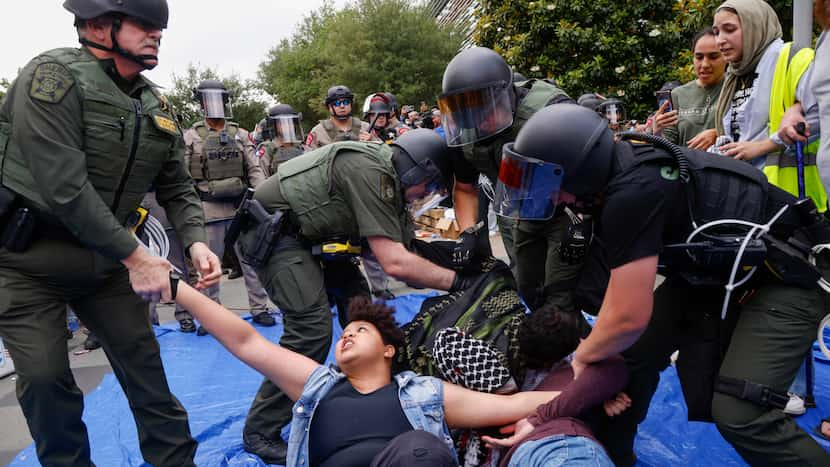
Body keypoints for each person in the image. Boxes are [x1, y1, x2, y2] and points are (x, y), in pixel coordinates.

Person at [496, 102, 830, 466]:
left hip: (790, 277)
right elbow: (618, 307)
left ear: (580, 173)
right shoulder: (619, 180)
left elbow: (626, 319)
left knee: (741, 412)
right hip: (718, 273)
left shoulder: (633, 192)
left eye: (550, 184)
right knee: (628, 359)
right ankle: (612, 456)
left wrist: (582, 361)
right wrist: (598, 357)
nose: (551, 198)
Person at [0, 0, 223, 465]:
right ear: (100, 25)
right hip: (28, 263)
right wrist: (138, 257)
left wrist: (197, 239)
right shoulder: (53, 78)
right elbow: (64, 188)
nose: (157, 34)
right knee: (44, 381)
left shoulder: (153, 102)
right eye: (144, 24)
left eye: (160, 27)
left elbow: (176, 183)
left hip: (107, 262)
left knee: (146, 371)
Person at [241, 129, 484, 463]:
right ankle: (260, 430)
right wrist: (459, 283)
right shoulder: (371, 171)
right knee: (311, 327)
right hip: (276, 234)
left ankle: (374, 386)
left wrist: (466, 253)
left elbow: (413, 244)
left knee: (364, 314)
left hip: (320, 239)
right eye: (427, 187)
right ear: (417, 171)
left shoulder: (393, 184)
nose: (424, 195)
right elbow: (395, 262)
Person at [167, 275, 562, 467]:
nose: (347, 335)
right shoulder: (319, 386)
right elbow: (245, 341)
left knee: (421, 453)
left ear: (389, 350)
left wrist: (593, 389)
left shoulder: (423, 394)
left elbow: (518, 402)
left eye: (361, 330)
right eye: (346, 331)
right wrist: (174, 286)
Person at [438, 46, 581, 312]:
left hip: (565, 208)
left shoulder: (550, 112)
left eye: (487, 111)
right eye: (471, 117)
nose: (480, 123)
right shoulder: (466, 131)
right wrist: (468, 232)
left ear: (507, 94)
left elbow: (588, 170)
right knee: (527, 285)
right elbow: (466, 188)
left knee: (563, 290)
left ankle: (582, 344)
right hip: (513, 210)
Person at [178, 79, 273, 334]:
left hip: (240, 206)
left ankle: (260, 308)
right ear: (201, 104)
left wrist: (261, 199)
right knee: (209, 267)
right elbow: (183, 177)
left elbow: (254, 169)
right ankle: (212, 316)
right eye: (209, 100)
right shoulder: (191, 137)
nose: (215, 106)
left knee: (251, 262)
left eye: (219, 100)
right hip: (208, 209)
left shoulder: (239, 135)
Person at [712, 0, 825, 211]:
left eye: (730, 30)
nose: (720, 40)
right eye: (716, 32)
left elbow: (823, 112)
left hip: (790, 202)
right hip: (747, 198)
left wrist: (763, 146)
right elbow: (743, 134)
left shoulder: (793, 57)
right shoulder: (735, 74)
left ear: (755, 25)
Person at [482, 305, 629, 467]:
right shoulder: (513, 350)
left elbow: (615, 368)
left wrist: (599, 396)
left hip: (546, 439)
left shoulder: (585, 368)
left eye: (536, 362)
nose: (529, 363)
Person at [653, 28, 726, 149]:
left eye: (713, 57)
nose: (705, 64)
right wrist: (658, 130)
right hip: (687, 165)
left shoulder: (735, 88)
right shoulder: (677, 95)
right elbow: (667, 145)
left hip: (726, 165)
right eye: (699, 57)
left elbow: (749, 131)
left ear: (725, 57)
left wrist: (718, 133)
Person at [305, 85, 375, 149]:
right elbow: (308, 158)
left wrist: (372, 141)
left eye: (346, 102)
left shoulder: (366, 128)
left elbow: (382, 152)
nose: (342, 106)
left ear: (351, 105)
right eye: (337, 103)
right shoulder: (318, 132)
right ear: (329, 107)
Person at [257, 103, 305, 177]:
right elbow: (262, 178)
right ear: (274, 125)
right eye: (283, 122)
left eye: (290, 122)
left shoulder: (302, 148)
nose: (288, 125)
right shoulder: (268, 149)